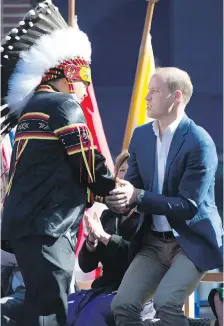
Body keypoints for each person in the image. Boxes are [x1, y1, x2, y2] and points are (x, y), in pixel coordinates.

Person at [1, 1, 115, 326]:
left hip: (23, 228)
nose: (86, 88)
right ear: (67, 74)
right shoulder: (64, 105)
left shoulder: (30, 110)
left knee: (37, 304)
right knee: (51, 309)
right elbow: (87, 161)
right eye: (84, 77)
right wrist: (116, 191)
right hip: (49, 228)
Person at [106, 67, 223, 326]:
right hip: (152, 243)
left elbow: (188, 206)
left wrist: (138, 195)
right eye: (147, 90)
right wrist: (116, 198)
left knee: (166, 304)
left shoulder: (199, 141)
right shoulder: (141, 136)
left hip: (190, 242)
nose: (147, 96)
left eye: (155, 91)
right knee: (122, 306)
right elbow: (132, 186)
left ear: (176, 96)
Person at [66, 150, 155, 326]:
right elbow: (86, 266)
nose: (125, 176)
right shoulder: (108, 215)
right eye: (121, 171)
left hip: (138, 295)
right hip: (103, 290)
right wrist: (92, 241)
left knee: (93, 313)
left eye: (131, 171)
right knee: (63, 308)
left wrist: (105, 237)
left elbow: (138, 258)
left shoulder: (151, 217)